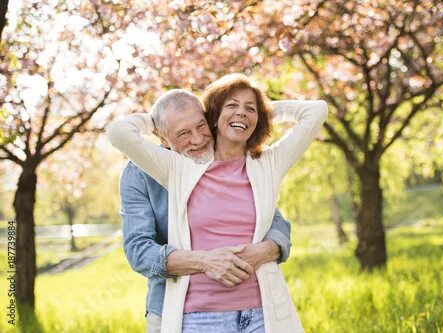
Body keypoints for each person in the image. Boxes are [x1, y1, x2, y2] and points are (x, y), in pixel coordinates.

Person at [107, 73, 328, 332]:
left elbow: (272, 220)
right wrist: (206, 261)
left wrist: (250, 110)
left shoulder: (245, 162)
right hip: (173, 304)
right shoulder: (158, 171)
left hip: (257, 310)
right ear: (163, 138)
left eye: (201, 126)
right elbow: (139, 251)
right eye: (183, 133)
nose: (198, 139)